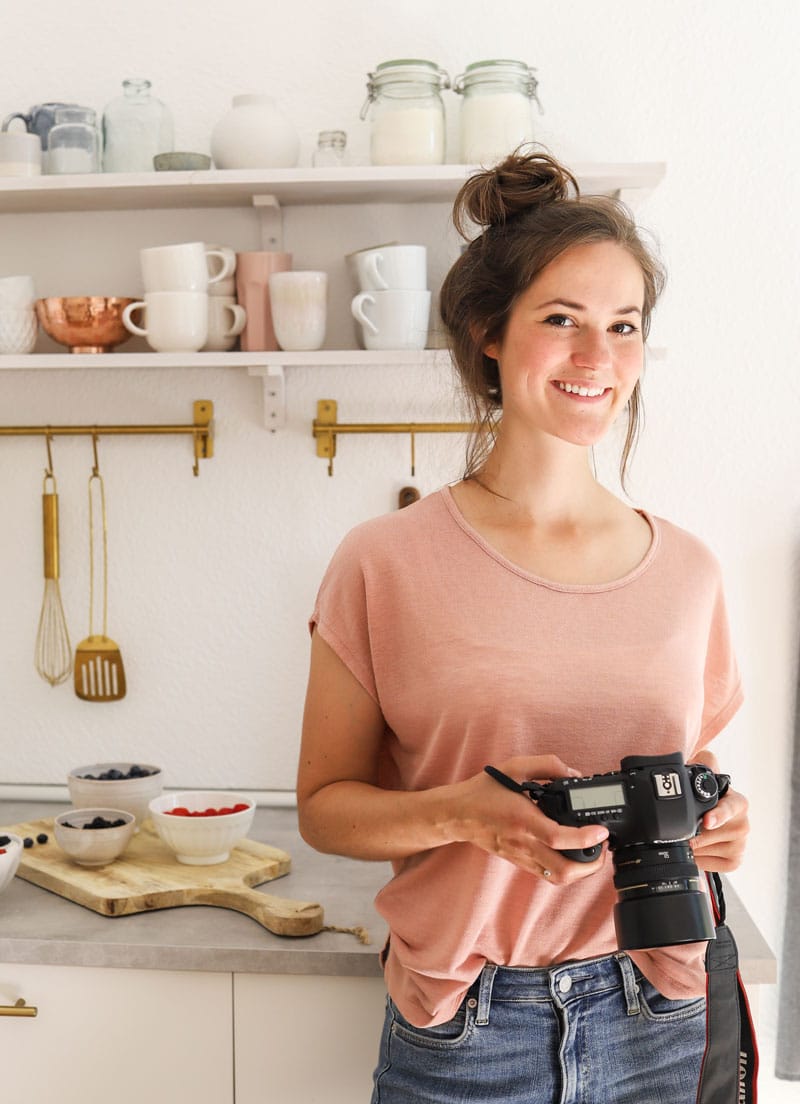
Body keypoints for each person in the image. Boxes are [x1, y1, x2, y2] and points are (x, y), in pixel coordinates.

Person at [296, 149, 749, 1104]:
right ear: (486, 333)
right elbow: (325, 807)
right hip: (467, 1019)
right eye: (561, 321)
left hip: (660, 1009)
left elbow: (694, 774)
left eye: (623, 327)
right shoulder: (384, 560)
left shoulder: (691, 572)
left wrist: (721, 820)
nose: (598, 358)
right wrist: (462, 812)